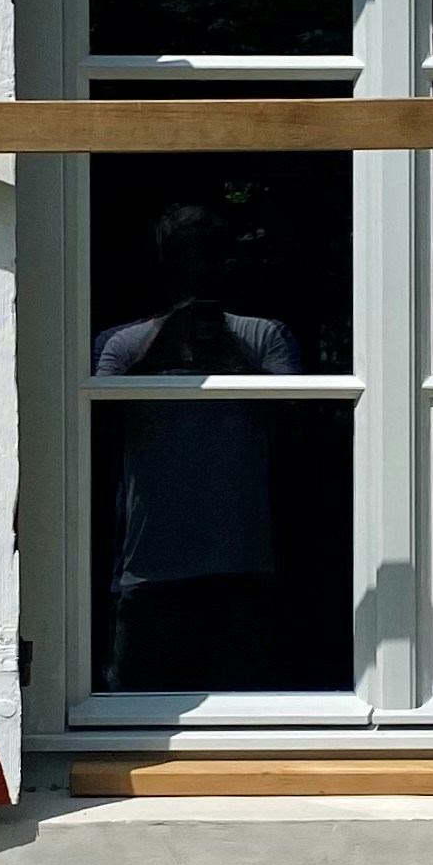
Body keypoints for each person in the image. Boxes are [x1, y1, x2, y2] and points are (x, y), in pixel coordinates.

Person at [93, 204, 299, 687]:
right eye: (186, 256)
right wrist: (157, 356)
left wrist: (231, 361)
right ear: (164, 264)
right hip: (149, 566)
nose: (199, 269)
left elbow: (298, 426)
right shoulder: (123, 344)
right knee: (137, 707)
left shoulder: (263, 337)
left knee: (246, 706)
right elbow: (95, 432)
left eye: (209, 254)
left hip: (243, 562)